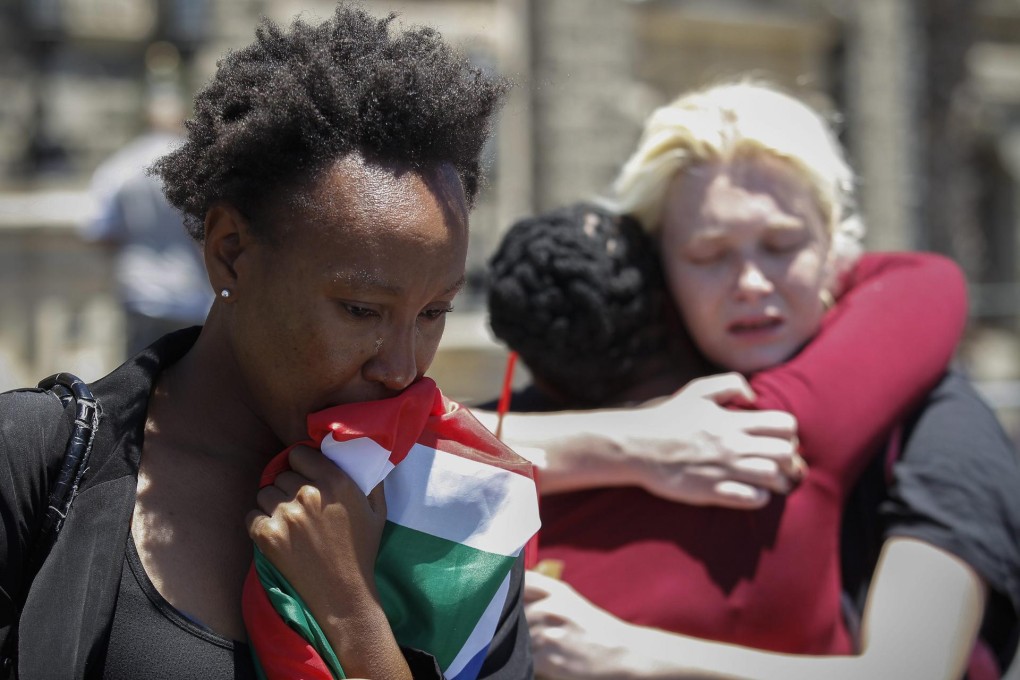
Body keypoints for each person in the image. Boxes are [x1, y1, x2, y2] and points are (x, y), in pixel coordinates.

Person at [0, 5, 535, 679]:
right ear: (230, 253)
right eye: (361, 310)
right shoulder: (36, 463)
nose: (401, 367)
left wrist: (351, 612)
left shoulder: (464, 515)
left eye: (434, 313)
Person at [479, 82, 1020, 678]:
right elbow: (416, 445)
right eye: (709, 256)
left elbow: (912, 670)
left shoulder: (938, 425)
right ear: (658, 269)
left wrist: (630, 654)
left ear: (834, 245)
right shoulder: (642, 398)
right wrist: (636, 443)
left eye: (782, 245)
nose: (752, 284)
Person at [82, 89, 213, 355]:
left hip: (140, 291)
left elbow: (97, 229)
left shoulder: (120, 166)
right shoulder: (196, 165)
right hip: (189, 291)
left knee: (139, 373)